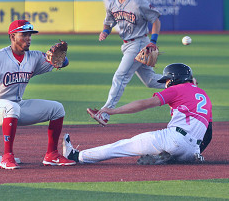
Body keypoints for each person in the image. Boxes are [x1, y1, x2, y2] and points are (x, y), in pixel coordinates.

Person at [0, 19, 76, 169]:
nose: (28, 38)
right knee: (11, 107)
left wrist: (60, 59)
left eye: (30, 35)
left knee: (57, 109)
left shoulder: (34, 57)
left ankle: (51, 155)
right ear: (12, 37)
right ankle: (7, 156)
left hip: (16, 106)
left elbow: (62, 63)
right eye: (24, 35)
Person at [64, 63, 212, 165]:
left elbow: (144, 104)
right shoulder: (204, 96)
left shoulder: (177, 89)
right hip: (193, 149)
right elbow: (208, 134)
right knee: (176, 149)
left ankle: (76, 156)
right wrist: (194, 150)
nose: (166, 83)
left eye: (167, 80)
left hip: (173, 139)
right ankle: (170, 157)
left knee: (122, 146)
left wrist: (113, 111)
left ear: (174, 78)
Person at [87, 0, 165, 124]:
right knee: (150, 81)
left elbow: (156, 20)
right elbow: (108, 22)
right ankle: (183, 82)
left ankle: (105, 113)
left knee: (120, 76)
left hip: (140, 43)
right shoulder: (112, 3)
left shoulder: (138, 2)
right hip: (127, 45)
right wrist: (105, 31)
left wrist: (153, 41)